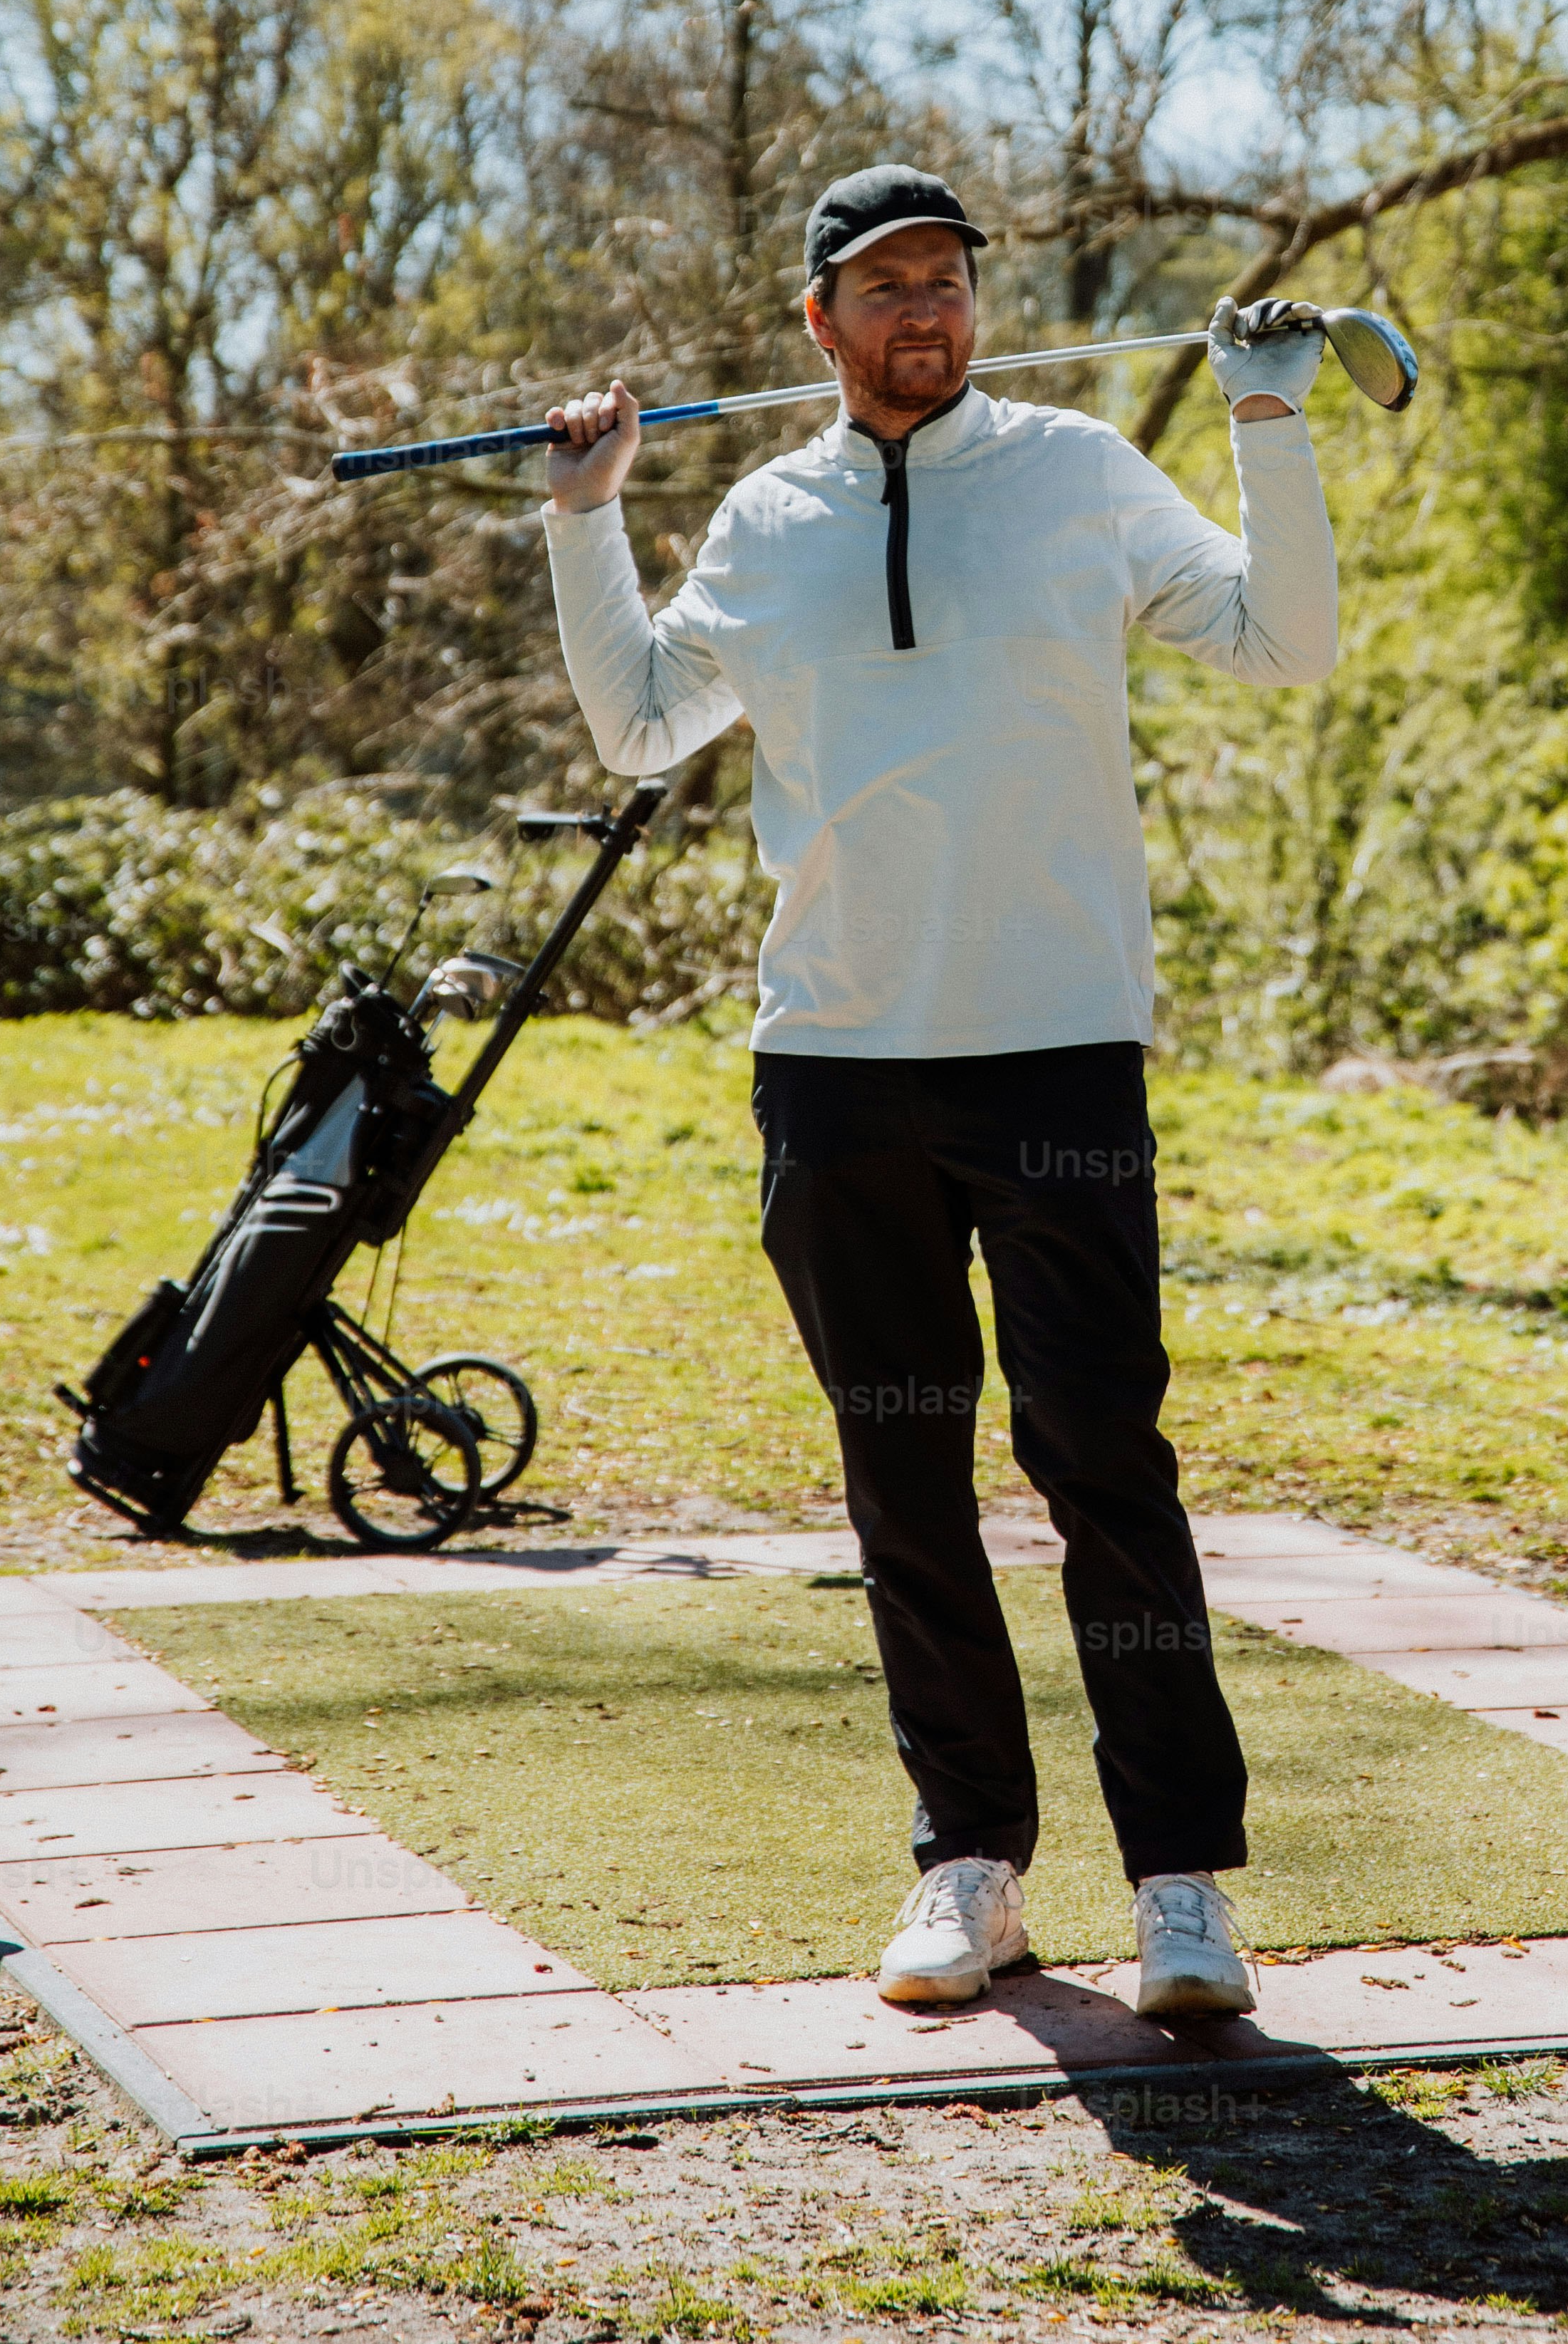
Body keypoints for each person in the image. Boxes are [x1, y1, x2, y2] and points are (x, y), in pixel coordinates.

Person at [540, 161, 1339, 2016]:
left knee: (1102, 1466)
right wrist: (587, 517)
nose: (928, 312)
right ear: (816, 323)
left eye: (950, 281)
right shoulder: (764, 509)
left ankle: (1180, 1888)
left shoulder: (1070, 469)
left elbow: (1277, 639)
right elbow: (643, 722)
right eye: (886, 286)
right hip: (833, 1067)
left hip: (1054, 1051)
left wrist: (1268, 424)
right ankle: (965, 1865)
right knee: (903, 1484)